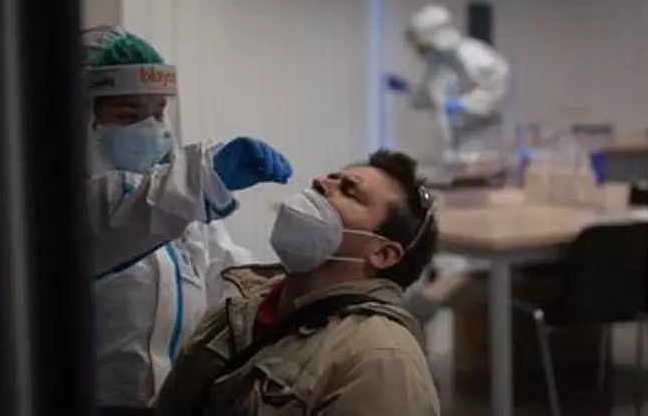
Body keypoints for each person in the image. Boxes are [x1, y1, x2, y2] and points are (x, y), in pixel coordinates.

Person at [83, 25, 293, 413]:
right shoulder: (58, 206)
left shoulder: (185, 213)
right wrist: (204, 176)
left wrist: (301, 288)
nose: (150, 128)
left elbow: (232, 279)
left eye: (158, 112)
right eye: (128, 114)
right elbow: (125, 214)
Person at [155, 149, 441, 415]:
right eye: (332, 177)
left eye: (349, 190)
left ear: (382, 253)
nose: (321, 182)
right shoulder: (241, 308)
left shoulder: (381, 362)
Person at [392, 4, 509, 166]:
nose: (420, 51)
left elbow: (497, 87)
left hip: (481, 143)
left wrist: (465, 104)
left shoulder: (472, 54)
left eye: (422, 46)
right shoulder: (439, 66)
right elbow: (431, 98)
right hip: (455, 147)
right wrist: (406, 89)